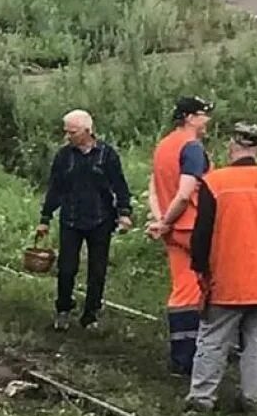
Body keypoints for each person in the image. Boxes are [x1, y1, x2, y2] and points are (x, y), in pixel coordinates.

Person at [185, 123, 257, 412]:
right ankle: (253, 399)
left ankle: (202, 398)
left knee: (213, 338)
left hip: (228, 277)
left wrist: (199, 268)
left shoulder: (215, 182)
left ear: (232, 145)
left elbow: (201, 234)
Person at [37, 109, 133, 331]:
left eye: (72, 132)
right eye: (66, 132)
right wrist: (45, 217)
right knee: (66, 268)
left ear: (87, 131)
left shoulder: (107, 155)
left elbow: (119, 185)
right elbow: (55, 188)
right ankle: (63, 309)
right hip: (70, 219)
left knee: (97, 270)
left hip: (101, 219)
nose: (67, 136)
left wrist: (124, 213)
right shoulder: (63, 156)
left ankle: (91, 314)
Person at [147, 96, 213, 375]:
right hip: (193, 228)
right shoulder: (192, 148)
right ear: (189, 117)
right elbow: (185, 193)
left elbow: (153, 187)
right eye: (203, 114)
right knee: (203, 288)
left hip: (173, 231)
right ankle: (194, 356)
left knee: (182, 288)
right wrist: (169, 219)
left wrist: (161, 221)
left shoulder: (164, 145)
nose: (207, 120)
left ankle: (181, 355)